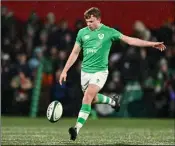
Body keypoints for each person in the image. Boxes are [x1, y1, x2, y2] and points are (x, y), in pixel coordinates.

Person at [59, 7, 166, 141]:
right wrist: (65, 70)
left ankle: (76, 129)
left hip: (100, 72)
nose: (88, 24)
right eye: (87, 22)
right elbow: (75, 53)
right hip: (85, 72)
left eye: (91, 21)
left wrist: (151, 44)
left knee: (87, 97)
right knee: (92, 99)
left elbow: (130, 40)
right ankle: (113, 102)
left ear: (99, 19)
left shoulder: (109, 32)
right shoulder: (82, 33)